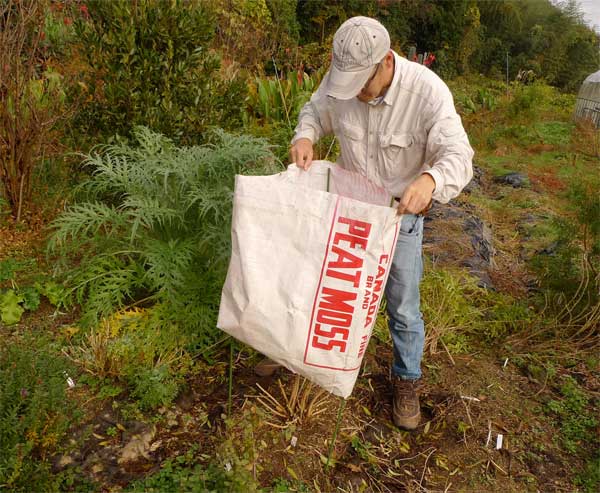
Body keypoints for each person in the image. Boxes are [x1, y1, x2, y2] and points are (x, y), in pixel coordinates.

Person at [258, 16, 474, 431]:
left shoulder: (426, 92)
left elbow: (458, 155)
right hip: (347, 206)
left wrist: (430, 180)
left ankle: (407, 380)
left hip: (398, 217)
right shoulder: (341, 82)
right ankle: (294, 352)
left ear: (385, 63)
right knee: (321, 284)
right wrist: (304, 136)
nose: (353, 90)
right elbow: (315, 110)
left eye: (361, 81)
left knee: (403, 306)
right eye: (346, 81)